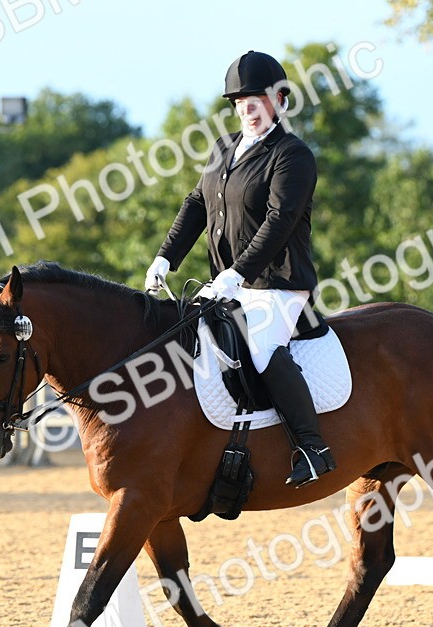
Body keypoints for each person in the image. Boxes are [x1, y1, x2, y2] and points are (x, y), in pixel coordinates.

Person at [145, 50, 335, 488]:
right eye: (238, 102)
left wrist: (238, 272)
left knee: (264, 348)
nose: (245, 108)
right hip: (229, 282)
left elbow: (279, 221)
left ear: (280, 99)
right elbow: (197, 204)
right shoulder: (223, 148)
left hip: (278, 284)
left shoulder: (293, 154)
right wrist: (165, 256)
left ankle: (313, 447)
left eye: (256, 99)